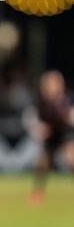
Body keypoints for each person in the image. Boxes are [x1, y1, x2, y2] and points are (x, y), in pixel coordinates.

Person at [28, 70, 74, 206]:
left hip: (65, 134)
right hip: (51, 136)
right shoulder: (42, 102)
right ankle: (38, 193)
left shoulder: (66, 99)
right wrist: (40, 129)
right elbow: (32, 119)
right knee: (42, 164)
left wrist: (68, 118)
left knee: (71, 159)